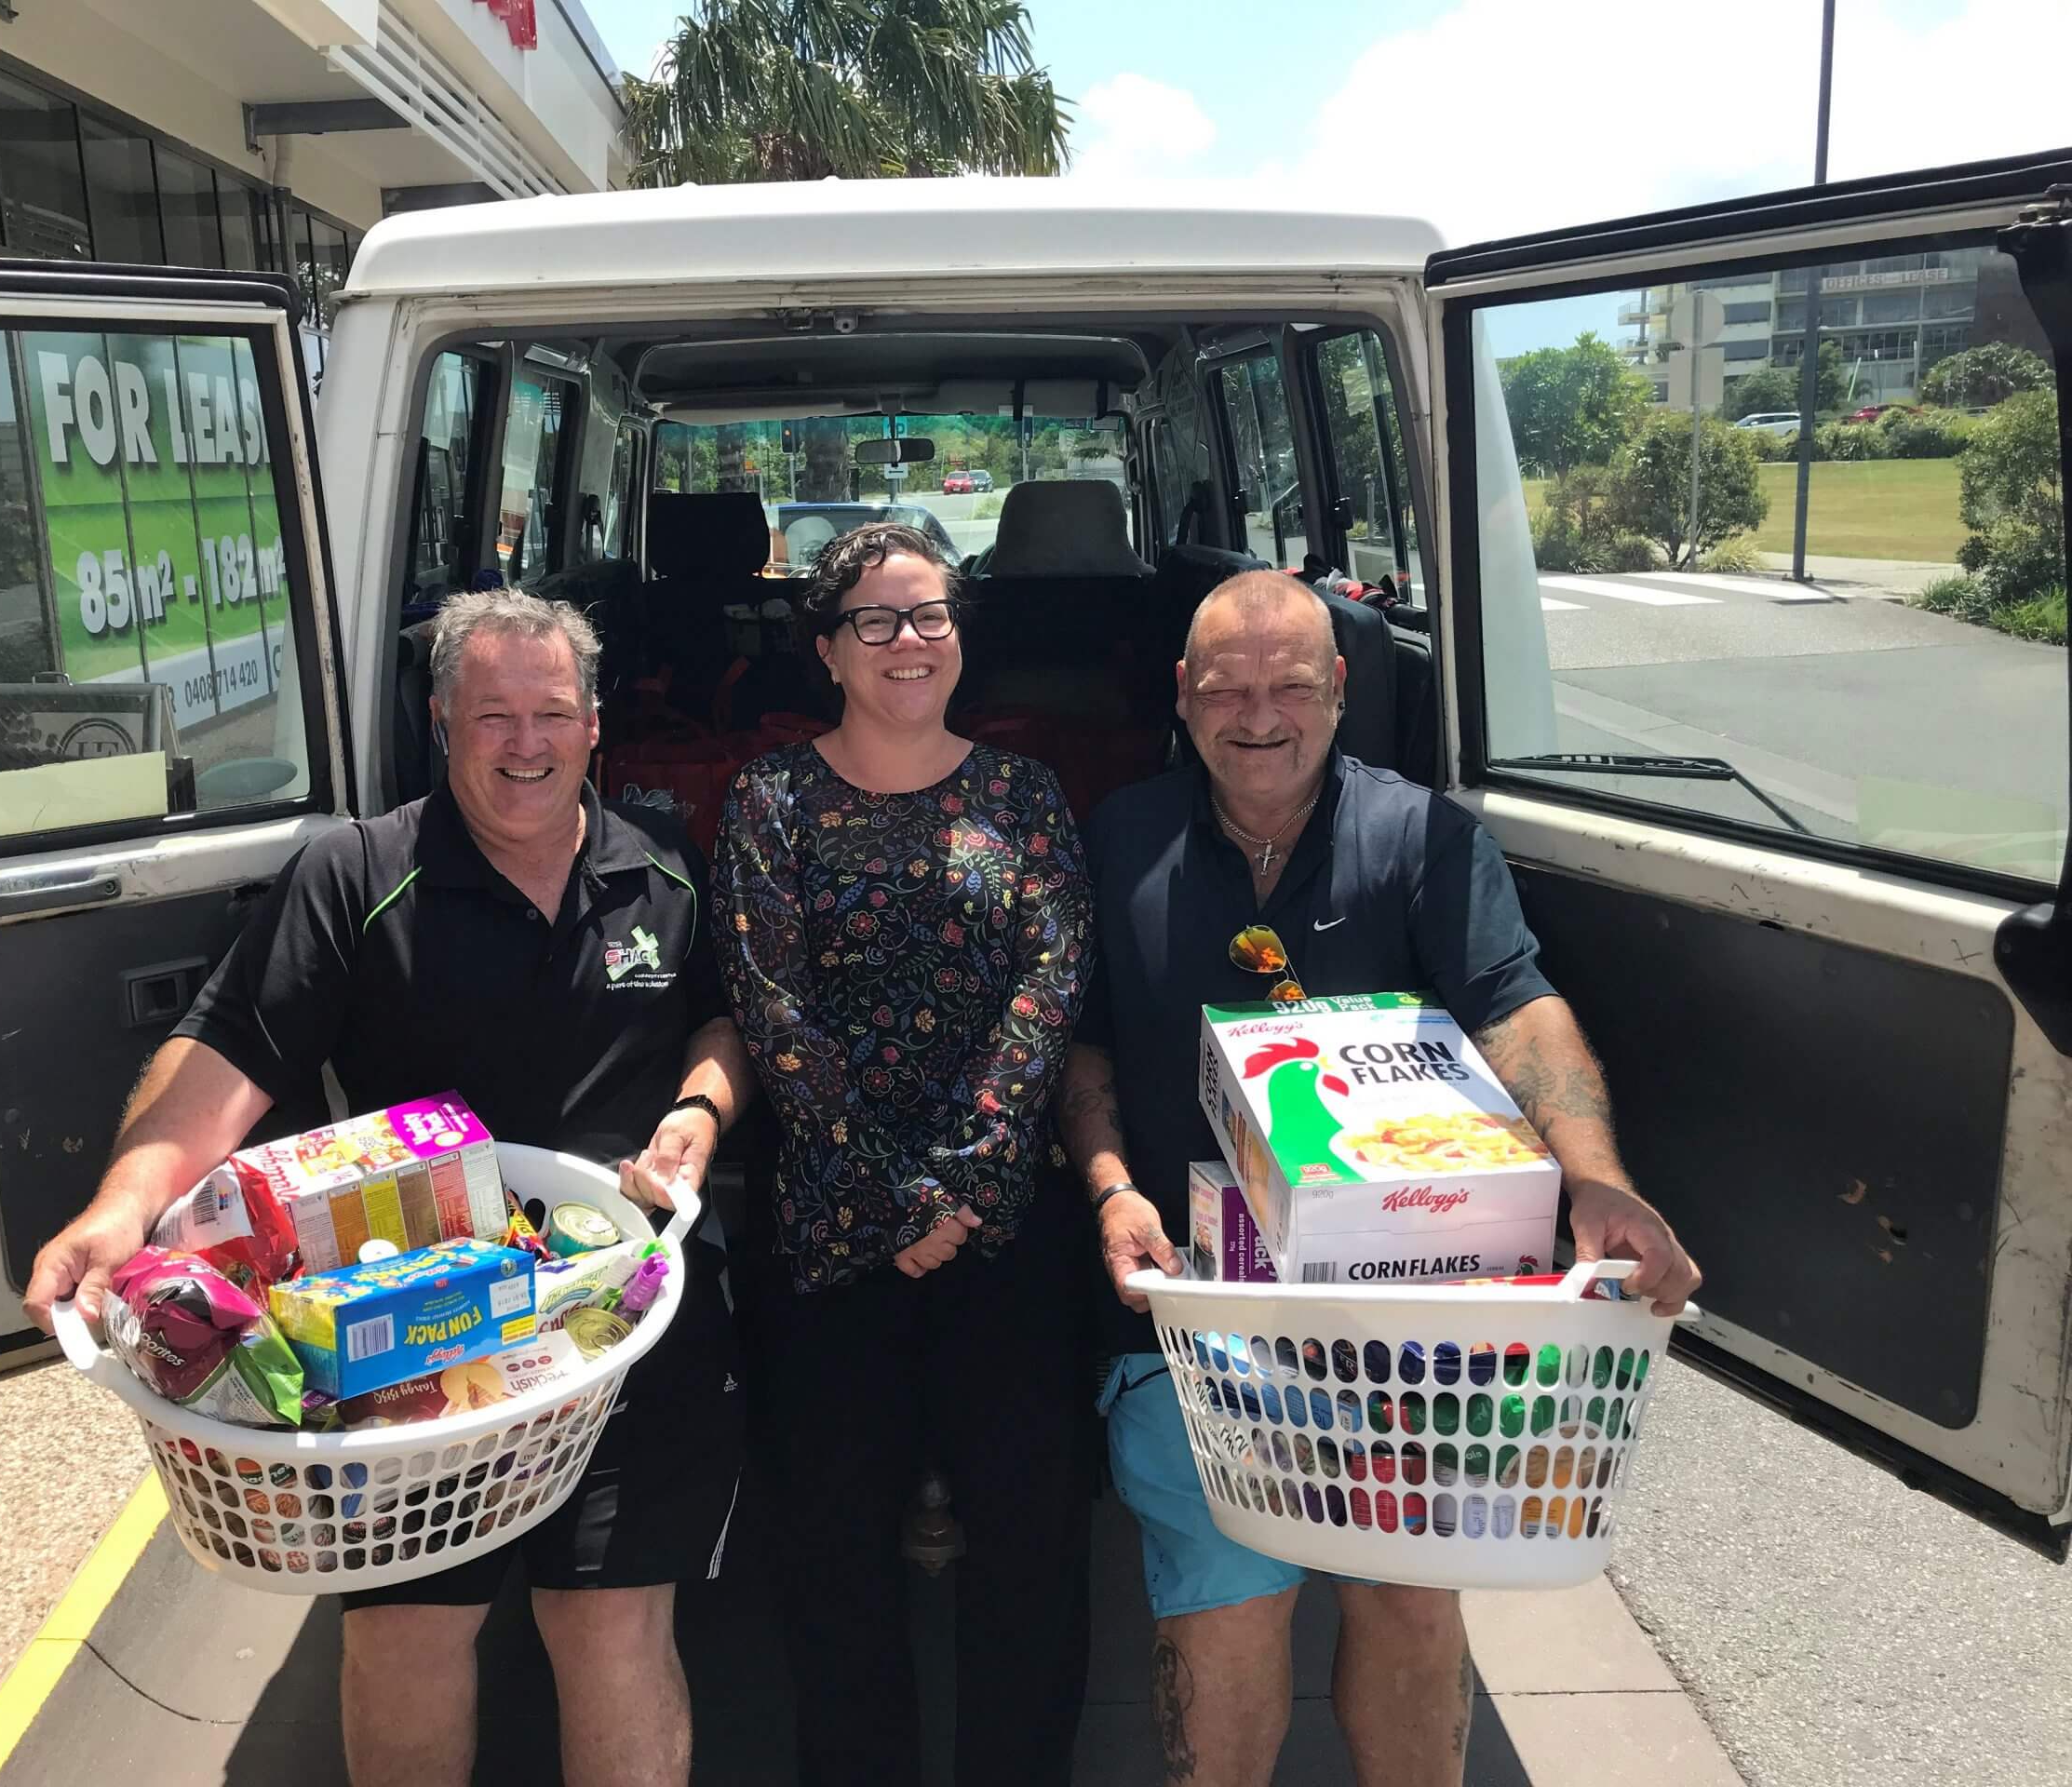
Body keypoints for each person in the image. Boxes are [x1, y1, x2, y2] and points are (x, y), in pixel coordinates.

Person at [21, 590, 753, 1787]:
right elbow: (228, 1062)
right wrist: (118, 1208)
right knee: (409, 1632)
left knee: (613, 1623)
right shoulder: (357, 872)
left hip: (623, 1312)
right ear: (439, 723)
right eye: (494, 717)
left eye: (553, 713)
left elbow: (721, 1018)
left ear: (594, 725)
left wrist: (697, 1109)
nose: (528, 744)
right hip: (403, 1331)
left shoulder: (664, 859)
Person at [1057, 571, 1701, 1787]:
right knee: (1229, 1609)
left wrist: (1598, 1183)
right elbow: (1079, 1043)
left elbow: (1520, 1013)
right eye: (1228, 688)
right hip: (1198, 1310)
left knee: (1410, 1602)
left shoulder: (1422, 838)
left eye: (1292, 685)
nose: (1261, 716)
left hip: (1401, 1311)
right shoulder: (1119, 838)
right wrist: (1108, 1188)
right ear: (1182, 697)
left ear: (1341, 691)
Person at [712, 522, 1096, 1785]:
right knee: (835, 1560)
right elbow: (774, 1010)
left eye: (929, 614)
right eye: (874, 621)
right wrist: (894, 1198)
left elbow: (1051, 985)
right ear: (826, 649)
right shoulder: (770, 803)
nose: (908, 642)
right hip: (828, 1237)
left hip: (1005, 1232)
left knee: (1031, 1550)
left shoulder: (1023, 795)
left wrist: (970, 1186)